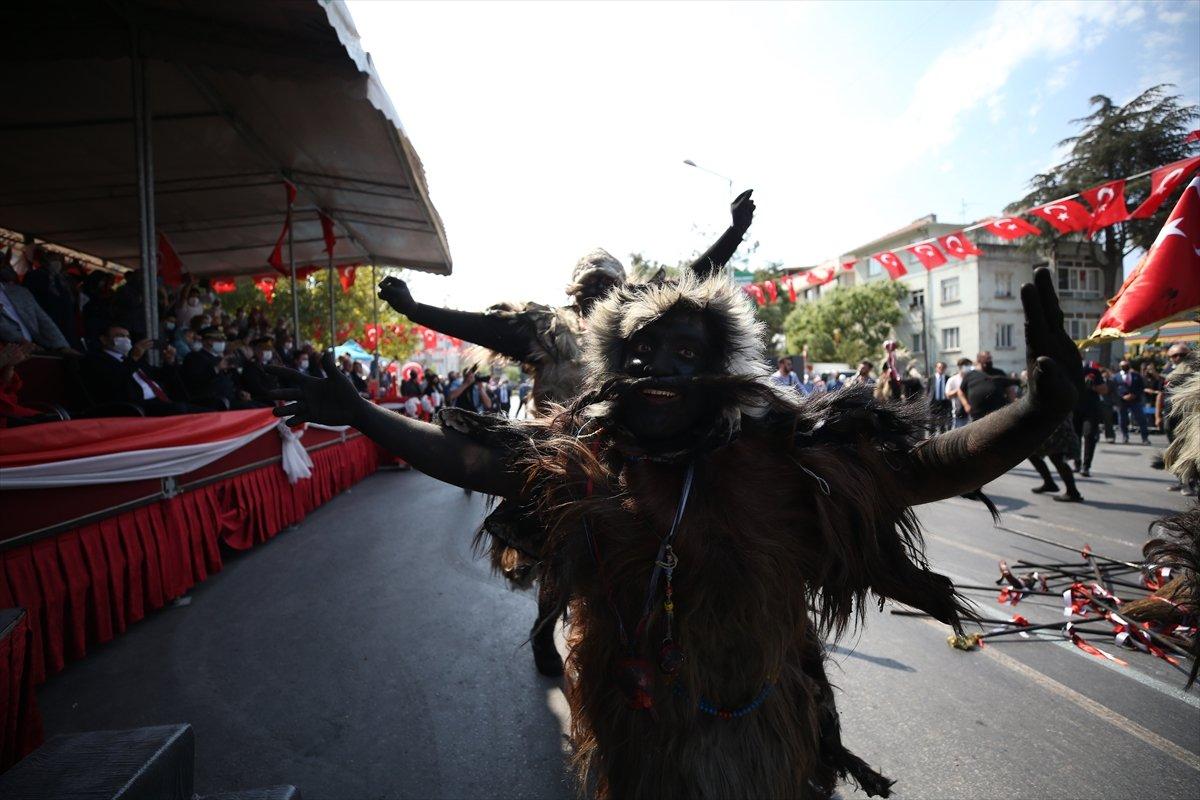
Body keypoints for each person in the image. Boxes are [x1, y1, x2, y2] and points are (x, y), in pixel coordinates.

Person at [268, 267, 1080, 798]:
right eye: (643, 351)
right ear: (615, 367)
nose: (661, 367)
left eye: (684, 349)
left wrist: (1037, 412)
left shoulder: (779, 456)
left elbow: (922, 467)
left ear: (721, 364)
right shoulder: (591, 459)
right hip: (642, 739)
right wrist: (367, 414)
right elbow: (482, 461)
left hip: (764, 736)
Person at [378, 192, 756, 677]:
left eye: (609, 284)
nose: (599, 293)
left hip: (635, 454)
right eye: (590, 285)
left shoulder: (637, 324)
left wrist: (735, 233)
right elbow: (479, 327)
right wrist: (415, 310)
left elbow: (692, 276)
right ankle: (545, 631)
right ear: (574, 291)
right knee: (562, 558)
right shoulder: (545, 329)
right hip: (564, 455)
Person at [81, 324, 198, 415]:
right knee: (182, 409)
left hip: (162, 399)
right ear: (104, 339)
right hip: (136, 406)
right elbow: (115, 382)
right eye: (120, 336)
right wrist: (133, 358)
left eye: (127, 336)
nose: (126, 339)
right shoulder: (97, 360)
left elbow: (159, 376)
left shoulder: (133, 359)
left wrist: (169, 361)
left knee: (209, 409)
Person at [0, 261, 76, 354]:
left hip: (37, 351)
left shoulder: (20, 292)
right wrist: (23, 342)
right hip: (9, 353)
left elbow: (44, 320)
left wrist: (62, 346)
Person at [1158, 344, 1195, 495]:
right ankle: (1181, 481)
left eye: (1182, 355)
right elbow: (1161, 394)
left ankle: (1189, 484)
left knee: (1188, 452)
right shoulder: (1167, 371)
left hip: (1188, 416)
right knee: (1175, 452)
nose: (1178, 358)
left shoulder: (1194, 370)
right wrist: (1157, 415)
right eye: (1175, 355)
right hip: (1170, 415)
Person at [959, 350, 1015, 421]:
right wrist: (966, 405)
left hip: (998, 413)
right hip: (977, 416)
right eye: (986, 358)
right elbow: (960, 391)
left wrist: (1012, 406)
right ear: (979, 360)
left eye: (990, 358)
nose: (989, 361)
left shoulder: (999, 373)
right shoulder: (970, 375)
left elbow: (1010, 390)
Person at [1074, 361, 1107, 477]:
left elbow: (1104, 389)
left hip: (1091, 410)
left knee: (1089, 435)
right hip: (1074, 409)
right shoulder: (1067, 370)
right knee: (1075, 437)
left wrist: (1093, 386)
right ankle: (1077, 463)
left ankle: (1086, 466)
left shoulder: (1093, 371)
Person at [1114, 359, 1150, 444]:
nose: (1125, 367)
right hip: (1122, 401)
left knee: (1141, 419)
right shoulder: (1116, 377)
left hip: (1135, 400)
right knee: (1123, 420)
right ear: (1120, 367)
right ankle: (1125, 436)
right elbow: (1114, 389)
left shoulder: (1136, 375)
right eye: (1123, 366)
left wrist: (1134, 395)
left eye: (1126, 365)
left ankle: (1145, 438)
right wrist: (1122, 396)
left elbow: (1141, 387)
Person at [238, 336, 281, 405]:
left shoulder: (271, 364)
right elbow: (256, 388)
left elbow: (275, 383)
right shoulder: (251, 365)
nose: (268, 352)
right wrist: (273, 395)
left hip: (273, 398)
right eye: (265, 350)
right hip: (260, 400)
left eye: (269, 349)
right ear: (257, 351)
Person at [944, 357, 972, 429]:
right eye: (967, 366)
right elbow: (948, 395)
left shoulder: (973, 379)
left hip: (973, 413)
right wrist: (959, 391)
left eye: (970, 365)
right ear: (960, 367)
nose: (969, 368)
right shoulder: (952, 379)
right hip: (959, 414)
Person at [926, 361, 951, 434]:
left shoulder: (948, 378)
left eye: (943, 368)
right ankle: (931, 440)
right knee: (932, 425)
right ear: (936, 368)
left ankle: (942, 441)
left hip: (944, 403)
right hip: (933, 403)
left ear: (945, 369)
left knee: (942, 425)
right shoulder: (931, 378)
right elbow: (927, 391)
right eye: (939, 367)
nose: (941, 369)